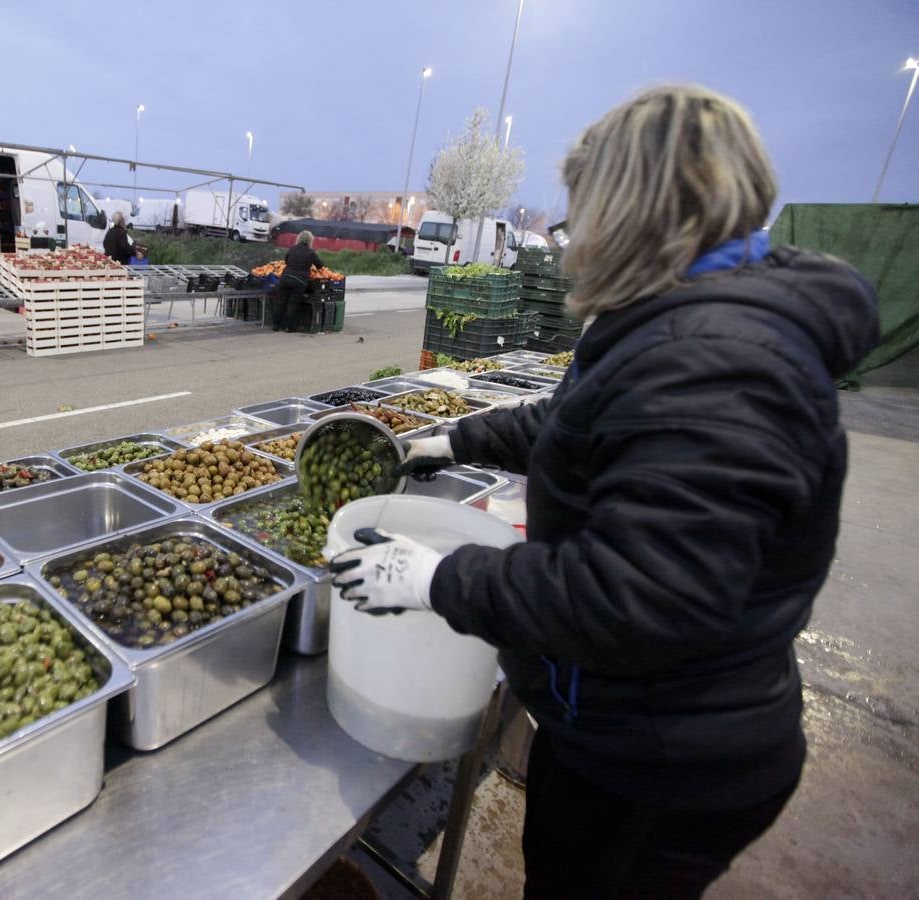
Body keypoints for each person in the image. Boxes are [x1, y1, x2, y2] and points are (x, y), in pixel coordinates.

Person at [329, 85, 878, 899]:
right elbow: (590, 420)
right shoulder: (686, 314)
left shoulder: (724, 360)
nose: (570, 236)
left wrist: (438, 579)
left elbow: (643, 597)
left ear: (637, 210)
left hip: (663, 764)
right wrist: (458, 438)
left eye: (584, 211)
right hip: (623, 727)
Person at [275, 230, 324, 332]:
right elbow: (320, 265)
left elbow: (286, 261)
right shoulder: (311, 253)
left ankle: (276, 325)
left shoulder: (292, 249)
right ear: (310, 240)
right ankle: (289, 328)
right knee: (292, 304)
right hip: (299, 281)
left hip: (285, 278)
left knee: (280, 301)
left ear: (299, 238)